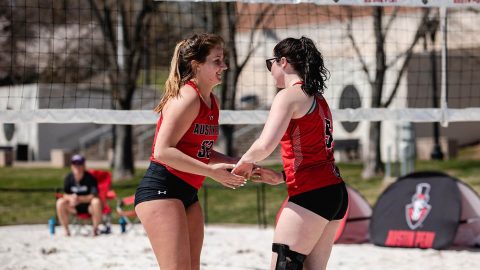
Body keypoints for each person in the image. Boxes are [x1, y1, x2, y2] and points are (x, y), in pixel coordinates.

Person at [233, 36, 348, 270]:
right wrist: (283, 176)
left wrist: (242, 163)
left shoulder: (289, 96)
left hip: (312, 194)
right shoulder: (318, 98)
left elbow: (265, 145)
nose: (270, 70)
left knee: (284, 265)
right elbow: (316, 153)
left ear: (283, 62)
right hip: (334, 192)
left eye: (270, 64)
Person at [134, 33, 246, 270]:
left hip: (187, 192)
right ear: (196, 65)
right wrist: (210, 172)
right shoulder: (187, 96)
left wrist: (237, 162)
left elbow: (200, 150)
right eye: (217, 60)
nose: (224, 66)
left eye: (223, 59)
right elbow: (162, 151)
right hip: (161, 189)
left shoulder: (211, 101)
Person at [56, 154, 102, 236]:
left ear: (84, 165)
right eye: (74, 163)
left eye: (79, 163)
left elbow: (94, 195)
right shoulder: (68, 178)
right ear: (71, 166)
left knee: (96, 202)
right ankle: (66, 230)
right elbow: (65, 194)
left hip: (88, 207)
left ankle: (95, 229)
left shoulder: (90, 178)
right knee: (60, 202)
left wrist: (79, 199)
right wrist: (71, 198)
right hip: (74, 207)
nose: (77, 166)